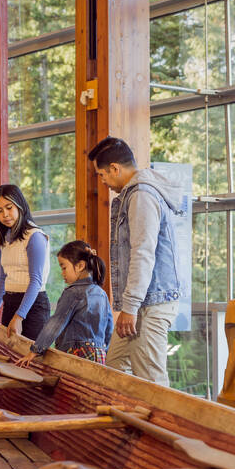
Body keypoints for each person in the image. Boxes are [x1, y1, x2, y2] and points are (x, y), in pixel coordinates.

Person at [88, 136, 181, 386]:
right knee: (116, 369)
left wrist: (129, 307)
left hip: (150, 303)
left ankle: (163, 425)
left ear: (115, 169)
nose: (103, 181)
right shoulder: (133, 195)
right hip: (141, 303)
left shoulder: (141, 196)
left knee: (151, 382)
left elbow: (143, 252)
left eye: (102, 175)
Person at [16, 240, 113, 367]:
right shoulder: (101, 293)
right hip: (99, 356)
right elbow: (109, 328)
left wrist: (34, 351)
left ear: (80, 266)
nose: (62, 273)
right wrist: (103, 351)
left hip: (76, 354)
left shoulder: (73, 293)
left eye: (64, 267)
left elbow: (56, 323)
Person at [0, 184, 50, 339]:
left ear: (20, 206)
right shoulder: (4, 239)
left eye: (9, 207)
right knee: (9, 356)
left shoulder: (35, 237)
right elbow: (3, 278)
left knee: (30, 360)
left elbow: (36, 281)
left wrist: (19, 317)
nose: (5, 214)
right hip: (10, 302)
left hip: (33, 307)